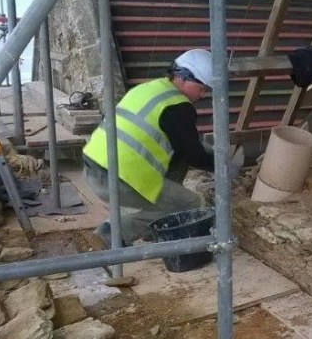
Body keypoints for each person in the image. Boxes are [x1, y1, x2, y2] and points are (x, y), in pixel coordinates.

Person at [83, 49, 243, 246]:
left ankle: (156, 226)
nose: (203, 94)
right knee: (187, 204)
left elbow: (182, 148)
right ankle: (114, 232)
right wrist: (224, 167)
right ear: (183, 78)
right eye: (202, 88)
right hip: (119, 179)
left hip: (95, 167)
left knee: (177, 165)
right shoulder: (178, 107)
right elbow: (194, 155)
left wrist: (207, 154)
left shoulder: (150, 89)